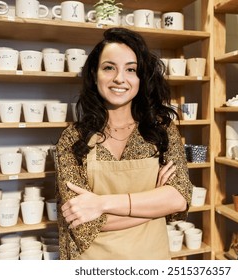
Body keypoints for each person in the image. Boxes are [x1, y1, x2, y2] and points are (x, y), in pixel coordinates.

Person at [55, 27, 193, 260]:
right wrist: (156, 204)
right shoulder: (73, 138)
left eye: (131, 69)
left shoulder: (160, 131)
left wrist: (101, 203)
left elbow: (179, 199)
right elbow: (79, 220)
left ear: (142, 78)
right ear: (94, 75)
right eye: (109, 67)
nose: (120, 78)